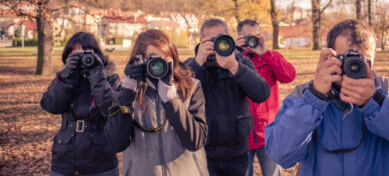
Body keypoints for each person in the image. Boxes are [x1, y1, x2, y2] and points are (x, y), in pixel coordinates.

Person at [265, 19, 389, 176]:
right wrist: (315, 98)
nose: (353, 67)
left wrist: (375, 103)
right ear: (330, 56)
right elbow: (280, 154)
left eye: (364, 61)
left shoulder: (388, 91)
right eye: (346, 58)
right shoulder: (305, 94)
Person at [105, 29, 209, 176]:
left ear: (173, 58)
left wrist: (170, 97)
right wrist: (128, 90)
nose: (158, 66)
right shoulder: (126, 94)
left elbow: (195, 141)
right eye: (152, 60)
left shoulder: (191, 87)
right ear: (139, 61)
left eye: (164, 60)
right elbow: (115, 143)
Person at [185, 18, 270, 176]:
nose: (215, 45)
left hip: (237, 153)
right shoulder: (193, 66)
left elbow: (262, 94)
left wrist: (234, 67)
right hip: (203, 153)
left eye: (220, 39)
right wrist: (197, 64)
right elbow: (177, 95)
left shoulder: (241, 62)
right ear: (201, 42)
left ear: (229, 40)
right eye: (209, 40)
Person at [40, 32, 119, 176]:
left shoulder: (109, 78)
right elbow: (50, 105)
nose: (81, 58)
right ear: (67, 57)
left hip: (101, 161)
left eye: (85, 53)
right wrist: (68, 74)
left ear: (97, 54)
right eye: (75, 54)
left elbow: (111, 110)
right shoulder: (65, 78)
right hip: (64, 160)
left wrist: (96, 73)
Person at [235, 19, 296, 176]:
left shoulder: (269, 57)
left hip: (268, 132)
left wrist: (266, 54)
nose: (252, 41)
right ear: (239, 37)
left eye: (255, 36)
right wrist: (234, 52)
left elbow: (289, 76)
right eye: (247, 37)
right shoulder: (232, 61)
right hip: (241, 134)